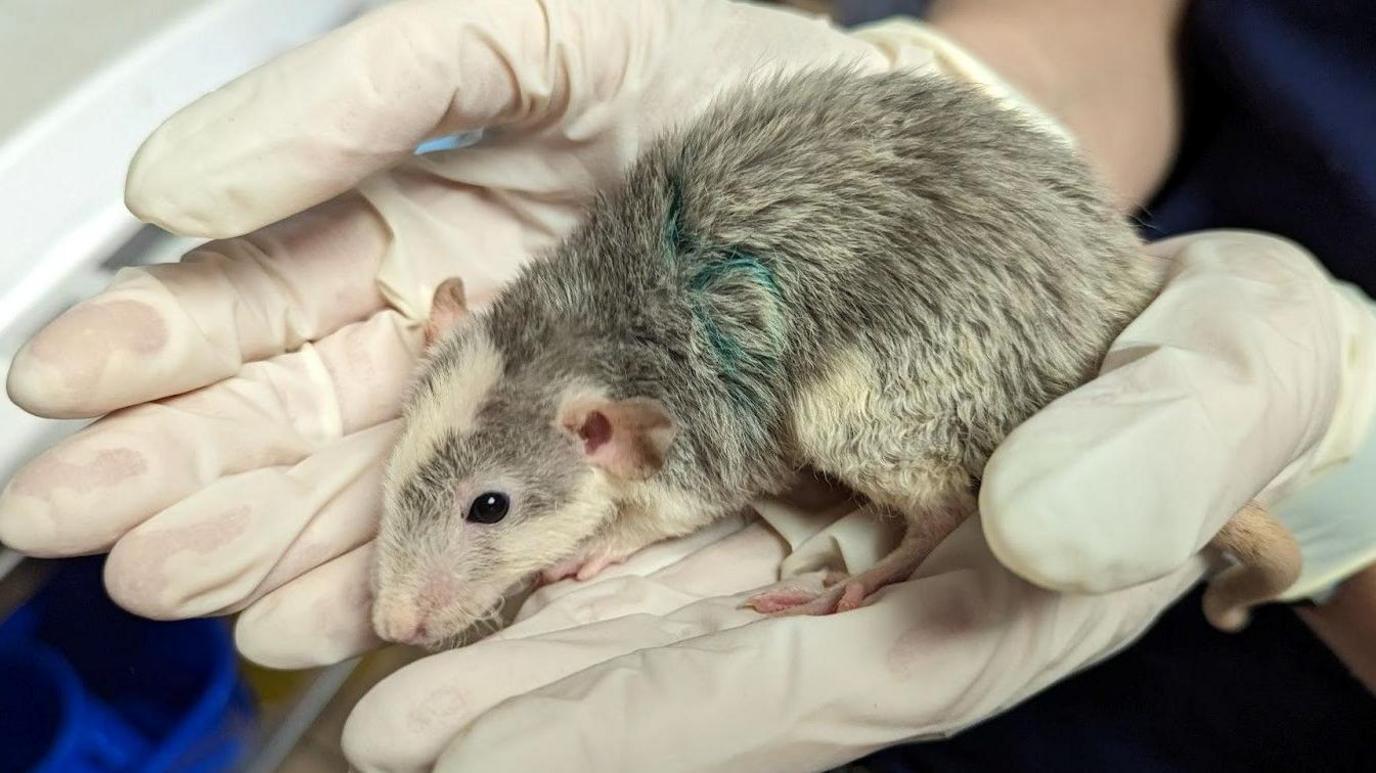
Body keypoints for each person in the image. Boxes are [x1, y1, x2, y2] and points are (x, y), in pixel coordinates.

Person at [1, 1, 1373, 770]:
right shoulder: (546, 338)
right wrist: (984, 67)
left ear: (597, 433)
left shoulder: (639, 421)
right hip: (1060, 191)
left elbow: (718, 460)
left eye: (483, 511)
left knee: (849, 424)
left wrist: (1336, 486)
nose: (411, 607)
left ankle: (922, 528)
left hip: (1234, 697)